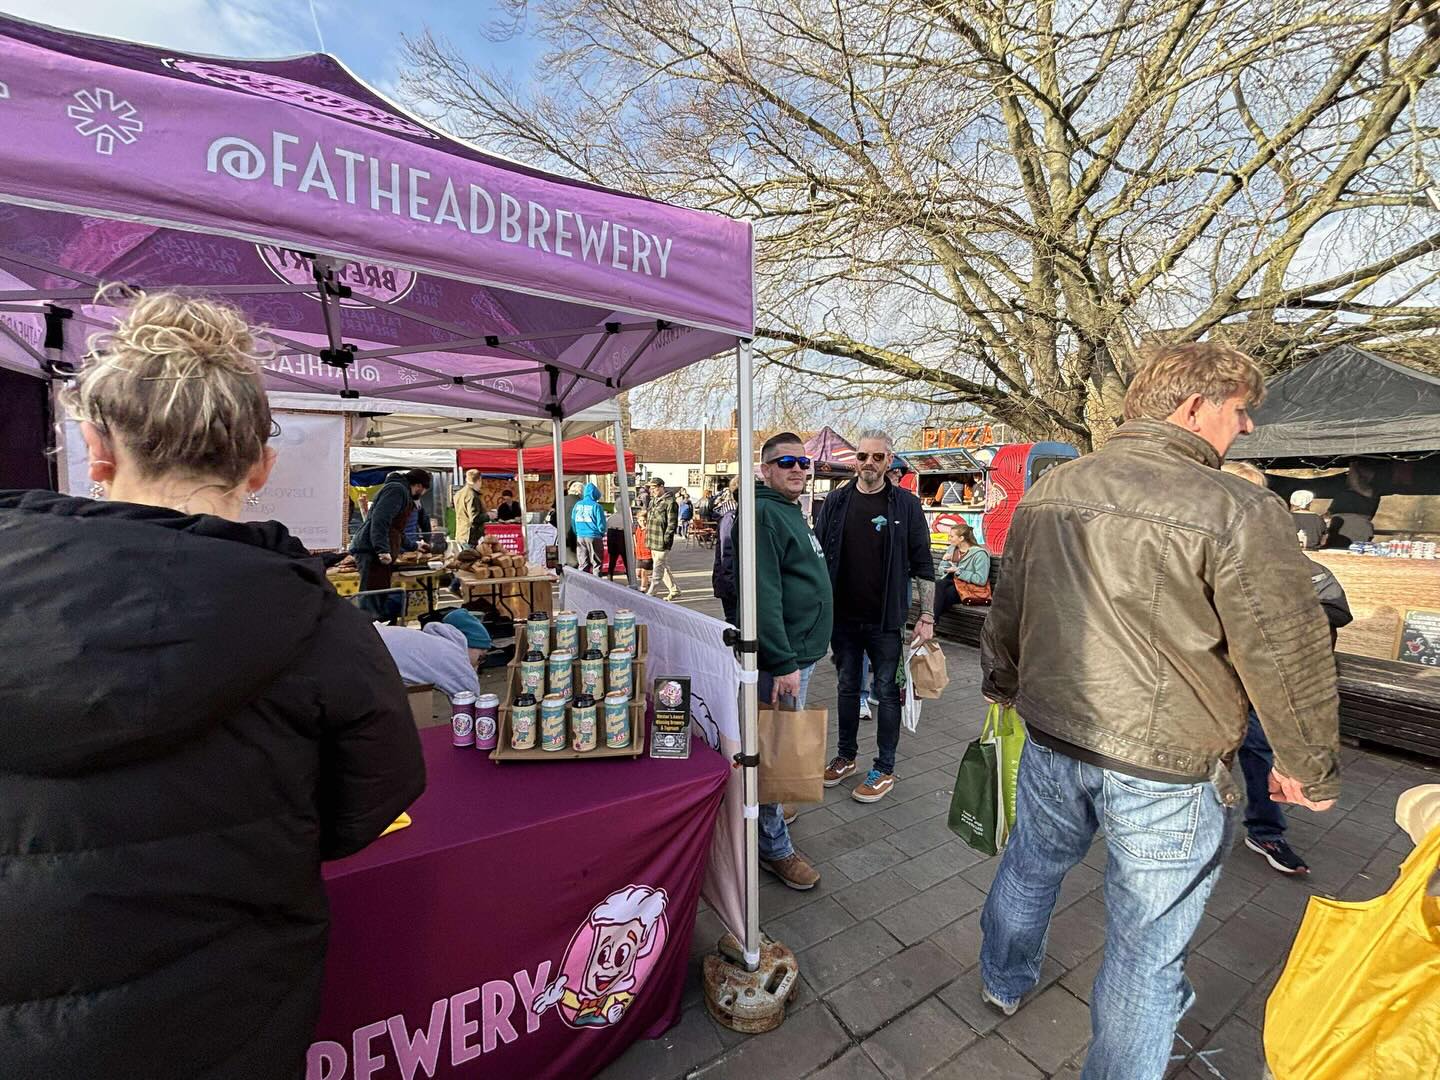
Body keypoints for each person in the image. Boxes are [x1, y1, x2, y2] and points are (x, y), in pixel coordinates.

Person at [0, 289, 425, 1080]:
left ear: (95, 450)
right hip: (234, 1012)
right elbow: (375, 798)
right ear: (260, 465)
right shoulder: (322, 625)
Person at [979, 342, 1341, 1079]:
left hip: (1056, 733)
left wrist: (1003, 683)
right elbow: (1284, 649)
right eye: (1240, 412)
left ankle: (1000, 978)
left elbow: (1007, 608)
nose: (1244, 429)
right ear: (1194, 406)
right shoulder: (1237, 507)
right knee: (1146, 950)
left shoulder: (1053, 489)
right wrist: (1308, 766)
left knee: (1030, 865)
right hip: (1167, 765)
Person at [1222, 461, 1353, 876]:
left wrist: (1284, 610)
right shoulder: (1189, 559)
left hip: (1264, 688)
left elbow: (1334, 609)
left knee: (1260, 751)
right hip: (1209, 688)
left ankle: (1265, 831)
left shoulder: (1295, 567)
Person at [815, 428, 935, 803]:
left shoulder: (906, 505)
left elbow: (923, 564)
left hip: (886, 619)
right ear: (856, 460)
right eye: (863, 457)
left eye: (877, 457)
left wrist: (927, 615)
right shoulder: (836, 502)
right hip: (843, 618)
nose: (869, 463)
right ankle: (846, 756)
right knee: (847, 687)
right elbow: (817, 556)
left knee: (886, 691)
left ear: (889, 461)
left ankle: (884, 767)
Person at [742, 433, 834, 890]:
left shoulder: (787, 510)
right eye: (785, 462)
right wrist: (781, 661)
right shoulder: (763, 513)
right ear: (765, 469)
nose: (798, 468)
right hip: (786, 657)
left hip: (801, 653)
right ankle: (772, 846)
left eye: (803, 462)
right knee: (775, 750)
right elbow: (763, 594)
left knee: (781, 744)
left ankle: (777, 808)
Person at [352, 468, 432, 621]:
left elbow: (396, 529)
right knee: (371, 598)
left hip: (377, 551)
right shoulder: (397, 490)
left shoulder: (402, 492)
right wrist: (381, 549)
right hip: (371, 551)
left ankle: (377, 633)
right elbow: (380, 519)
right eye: (423, 491)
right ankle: (369, 635)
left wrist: (414, 546)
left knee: (378, 596)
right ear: (419, 486)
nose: (422, 495)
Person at [376, 621, 484, 701]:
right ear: (471, 645)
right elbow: (472, 706)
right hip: (371, 653)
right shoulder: (454, 657)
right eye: (480, 657)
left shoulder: (428, 644)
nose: (477, 666)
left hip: (369, 638)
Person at [933, 521, 990, 623]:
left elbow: (981, 580)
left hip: (968, 588)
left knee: (943, 595)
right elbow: (941, 569)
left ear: (961, 538)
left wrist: (959, 572)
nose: (948, 539)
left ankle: (929, 624)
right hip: (953, 582)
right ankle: (930, 624)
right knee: (938, 584)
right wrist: (945, 562)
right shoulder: (952, 549)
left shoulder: (979, 554)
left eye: (951, 536)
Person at [644, 477, 682, 600]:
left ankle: (651, 594)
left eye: (654, 487)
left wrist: (666, 539)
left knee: (658, 568)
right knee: (662, 566)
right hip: (652, 539)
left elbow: (672, 524)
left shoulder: (670, 502)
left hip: (661, 541)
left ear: (661, 487)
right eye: (650, 488)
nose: (651, 490)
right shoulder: (653, 501)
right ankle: (674, 589)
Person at [713, 478, 741, 624]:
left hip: (731, 582)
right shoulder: (731, 516)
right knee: (735, 623)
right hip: (731, 585)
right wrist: (733, 585)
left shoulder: (735, 514)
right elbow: (727, 552)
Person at [571, 482, 608, 574]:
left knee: (583, 563)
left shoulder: (577, 505)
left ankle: (583, 584)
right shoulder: (597, 506)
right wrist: (602, 532)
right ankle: (596, 584)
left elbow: (573, 521)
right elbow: (601, 524)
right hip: (594, 536)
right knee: (596, 563)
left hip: (580, 536)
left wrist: (577, 532)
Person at [454, 468, 487, 547]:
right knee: (472, 558)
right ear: (479, 480)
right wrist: (488, 516)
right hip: (471, 536)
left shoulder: (458, 494)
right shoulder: (472, 495)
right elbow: (474, 518)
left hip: (461, 533)